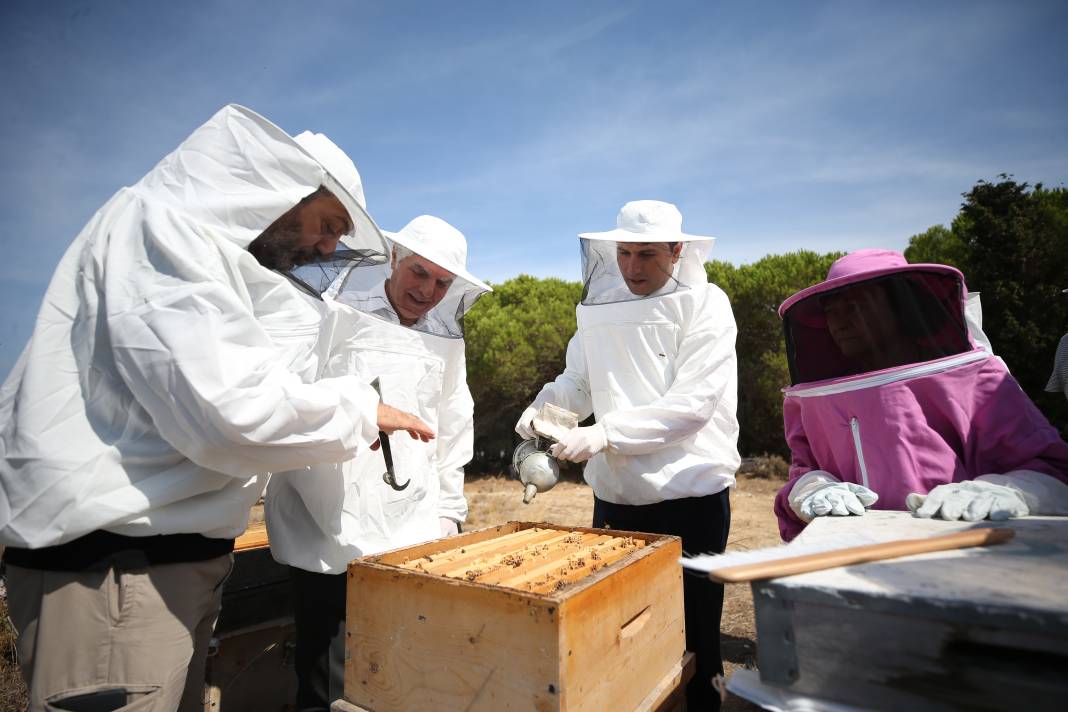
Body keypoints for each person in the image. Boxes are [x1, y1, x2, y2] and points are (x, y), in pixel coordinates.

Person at [0, 105, 433, 712]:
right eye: (328, 223)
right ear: (281, 188)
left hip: (153, 569)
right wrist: (364, 410)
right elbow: (230, 412)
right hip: (114, 572)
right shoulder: (161, 229)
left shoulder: (196, 250)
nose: (329, 245)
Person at [515, 200, 740, 711]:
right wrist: (543, 410)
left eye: (648, 255)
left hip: (691, 500)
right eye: (624, 254)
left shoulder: (708, 304)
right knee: (622, 638)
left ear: (678, 251)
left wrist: (604, 434)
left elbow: (693, 406)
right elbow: (578, 380)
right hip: (615, 498)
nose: (634, 268)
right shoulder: (602, 308)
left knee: (695, 637)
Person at [265, 214, 489, 711]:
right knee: (327, 680)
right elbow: (292, 395)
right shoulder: (334, 312)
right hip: (325, 524)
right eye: (419, 273)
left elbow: (454, 423)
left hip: (411, 526)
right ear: (393, 259)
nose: (428, 291)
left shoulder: (447, 339)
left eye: (442, 283)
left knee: (398, 672)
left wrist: (449, 510)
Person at [774, 249, 1068, 541]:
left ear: (898, 307)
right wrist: (812, 487)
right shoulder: (817, 398)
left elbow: (1053, 471)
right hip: (851, 563)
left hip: (966, 559)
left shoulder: (978, 379)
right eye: (831, 311)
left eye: (853, 306)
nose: (838, 322)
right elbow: (805, 468)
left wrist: (1010, 490)